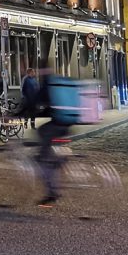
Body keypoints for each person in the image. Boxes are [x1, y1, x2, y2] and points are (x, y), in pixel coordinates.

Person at [32, 65, 73, 207]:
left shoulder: (47, 85)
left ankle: (51, 191)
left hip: (58, 125)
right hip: (67, 123)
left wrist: (16, 115)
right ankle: (58, 159)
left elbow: (33, 104)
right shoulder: (57, 83)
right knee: (44, 132)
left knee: (41, 156)